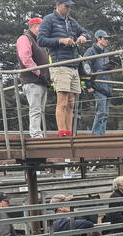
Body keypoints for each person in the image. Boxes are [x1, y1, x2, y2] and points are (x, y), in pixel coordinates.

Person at [38, 0, 90, 137]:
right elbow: (41, 40)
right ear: (58, 5)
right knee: (62, 100)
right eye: (66, 6)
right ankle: (62, 132)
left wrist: (83, 37)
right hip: (59, 64)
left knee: (71, 102)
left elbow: (86, 32)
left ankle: (69, 132)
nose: (68, 9)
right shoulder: (48, 19)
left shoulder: (72, 21)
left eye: (70, 7)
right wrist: (60, 40)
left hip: (73, 65)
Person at [16, 17, 50, 139]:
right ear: (35, 26)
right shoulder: (24, 38)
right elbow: (26, 58)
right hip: (32, 80)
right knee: (35, 108)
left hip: (41, 81)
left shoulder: (39, 42)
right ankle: (35, 134)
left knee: (40, 109)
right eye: (42, 27)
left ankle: (37, 133)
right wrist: (39, 72)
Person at [84, 30, 114, 136]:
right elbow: (86, 68)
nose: (107, 41)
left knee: (105, 114)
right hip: (97, 85)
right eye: (105, 38)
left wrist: (109, 67)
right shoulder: (90, 51)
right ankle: (96, 135)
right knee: (101, 112)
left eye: (107, 39)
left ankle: (102, 134)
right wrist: (88, 85)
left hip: (106, 85)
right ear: (99, 39)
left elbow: (102, 68)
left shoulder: (106, 51)